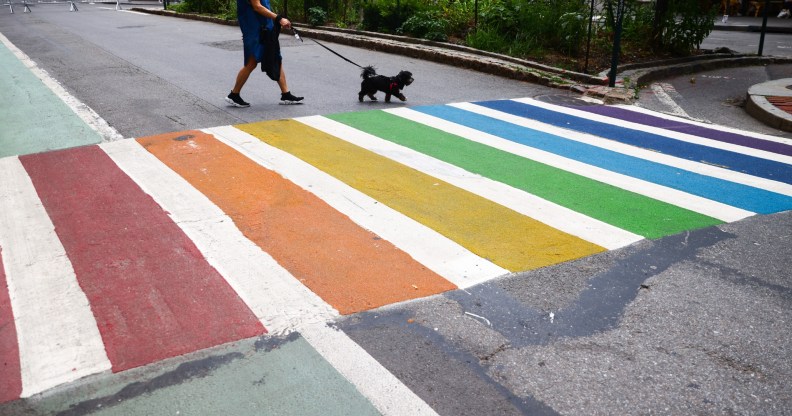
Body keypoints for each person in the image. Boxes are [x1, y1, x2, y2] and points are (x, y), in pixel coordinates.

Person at [225, 0, 303, 107]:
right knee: (251, 63)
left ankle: (286, 94)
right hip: (255, 31)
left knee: (276, 57)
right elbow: (257, 7)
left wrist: (276, 21)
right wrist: (279, 18)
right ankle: (234, 94)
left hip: (266, 29)